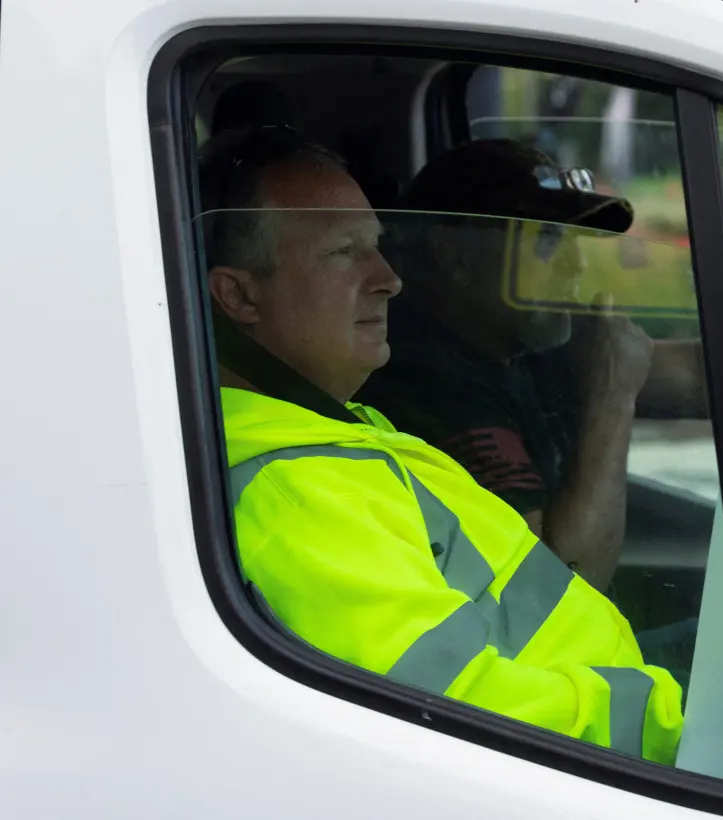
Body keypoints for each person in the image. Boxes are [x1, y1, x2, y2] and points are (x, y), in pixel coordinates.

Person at [199, 125, 683, 764]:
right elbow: (461, 718)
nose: (389, 278)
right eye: (345, 252)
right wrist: (670, 722)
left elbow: (688, 372)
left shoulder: (336, 422)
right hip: (617, 753)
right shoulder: (290, 488)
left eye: (378, 246)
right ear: (238, 294)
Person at [357, 140, 708, 593]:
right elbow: (563, 586)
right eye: (546, 239)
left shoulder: (519, 337)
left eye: (568, 238)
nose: (576, 263)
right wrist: (611, 396)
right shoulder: (425, 387)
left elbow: (697, 375)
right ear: (457, 256)